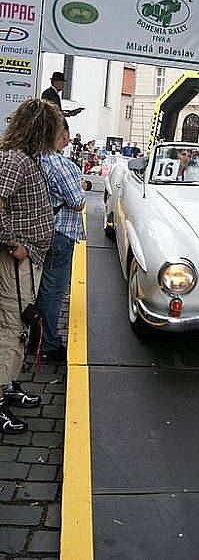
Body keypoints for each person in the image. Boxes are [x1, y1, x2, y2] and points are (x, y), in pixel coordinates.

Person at [0, 98, 62, 434]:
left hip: (28, 257)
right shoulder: (14, 159)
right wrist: (14, 243)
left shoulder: (26, 159)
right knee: (10, 326)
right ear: (40, 129)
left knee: (19, 325)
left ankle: (8, 386)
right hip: (16, 259)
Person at [36, 120, 87, 361]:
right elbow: (78, 202)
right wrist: (79, 188)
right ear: (64, 134)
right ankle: (48, 343)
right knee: (53, 290)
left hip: (43, 231)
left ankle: (36, 336)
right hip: (61, 233)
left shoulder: (37, 158)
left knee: (41, 287)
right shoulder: (61, 164)